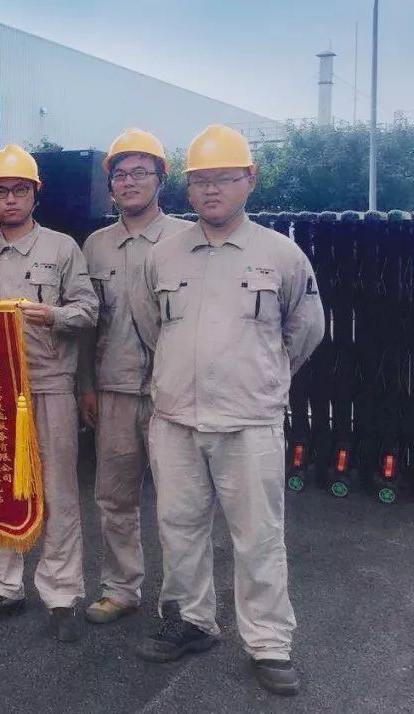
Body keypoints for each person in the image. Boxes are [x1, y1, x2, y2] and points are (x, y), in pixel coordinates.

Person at [133, 125, 324, 696]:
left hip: (249, 422)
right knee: (178, 527)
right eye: (200, 180)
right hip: (175, 420)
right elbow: (150, 326)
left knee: (258, 536)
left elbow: (305, 330)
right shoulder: (164, 255)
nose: (211, 190)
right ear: (188, 188)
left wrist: (261, 376)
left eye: (224, 178)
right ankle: (191, 622)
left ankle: (269, 643)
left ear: (250, 179)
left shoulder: (281, 255)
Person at [0, 145, 98, 642]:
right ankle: (3, 587)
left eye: (20, 190)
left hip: (50, 385)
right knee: (3, 489)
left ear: (35, 194)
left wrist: (54, 315)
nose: (11, 199)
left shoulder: (62, 249)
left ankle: (62, 595)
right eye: (1, 191)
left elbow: (89, 311)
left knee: (58, 491)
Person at [77, 128, 191, 625]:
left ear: (161, 179)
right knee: (114, 498)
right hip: (115, 389)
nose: (129, 182)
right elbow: (87, 324)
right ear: (110, 186)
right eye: (120, 174)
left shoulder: (187, 240)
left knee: (181, 503)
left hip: (175, 394)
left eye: (141, 172)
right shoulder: (96, 245)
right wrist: (86, 385)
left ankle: (183, 602)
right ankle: (121, 588)